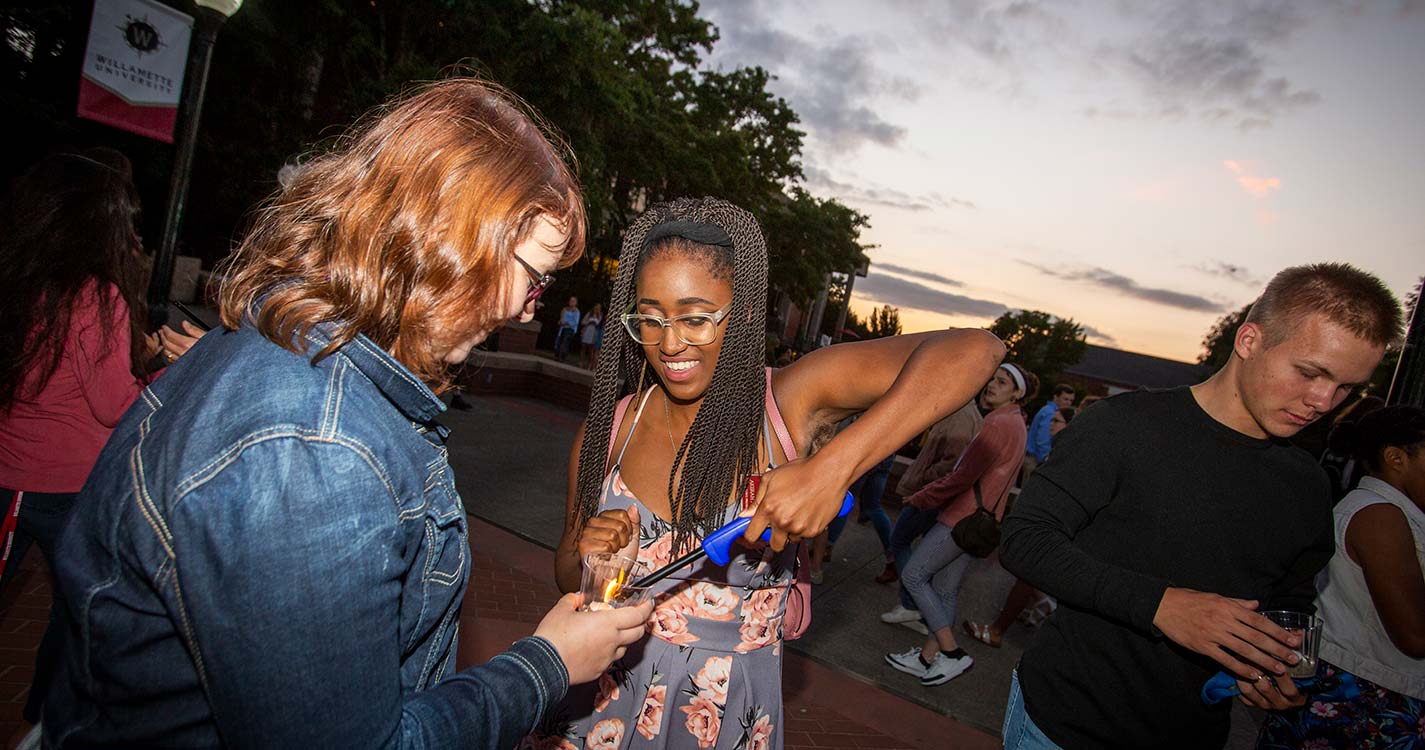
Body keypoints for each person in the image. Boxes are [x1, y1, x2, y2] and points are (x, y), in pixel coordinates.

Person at [41, 79, 652, 749]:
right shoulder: (311, 446)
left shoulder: (295, 341)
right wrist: (547, 663)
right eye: (532, 274)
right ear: (446, 239)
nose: (526, 307)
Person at [540, 197, 1005, 748]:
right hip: (599, 700)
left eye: (695, 317)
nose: (669, 342)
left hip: (719, 712)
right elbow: (567, 574)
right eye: (651, 317)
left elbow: (977, 349)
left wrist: (831, 468)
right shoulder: (611, 429)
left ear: (738, 315)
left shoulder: (787, 402)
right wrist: (593, 559)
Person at [999, 263, 1402, 750]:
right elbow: (1025, 540)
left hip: (1196, 733)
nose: (1323, 400)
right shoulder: (1123, 427)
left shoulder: (1308, 486)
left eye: (1345, 388)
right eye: (1310, 372)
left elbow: (1289, 601)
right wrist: (1161, 605)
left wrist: (1278, 664)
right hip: (1066, 722)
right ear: (1249, 341)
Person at [0, 151, 176, 734]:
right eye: (126, 221)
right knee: (80, 613)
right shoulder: (96, 296)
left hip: (11, 475)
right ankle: (46, 721)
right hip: (64, 489)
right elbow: (113, 407)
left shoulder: (21, 276)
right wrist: (163, 374)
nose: (133, 235)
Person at [1257, 405, 1425, 748]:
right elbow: (1415, 636)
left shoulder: (1392, 513)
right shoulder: (1381, 516)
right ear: (1396, 458)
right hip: (1365, 698)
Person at [883, 363, 1032, 686]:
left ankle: (951, 654)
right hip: (980, 521)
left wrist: (921, 497)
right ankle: (927, 657)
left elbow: (962, 476)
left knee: (914, 574)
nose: (991, 384)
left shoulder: (997, 424)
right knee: (946, 589)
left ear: (1017, 393)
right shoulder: (1017, 424)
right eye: (992, 378)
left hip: (960, 518)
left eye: (1002, 382)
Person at [963, 407, 1075, 648]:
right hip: (1046, 524)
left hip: (1048, 526)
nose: (1051, 424)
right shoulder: (1063, 451)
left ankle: (996, 631)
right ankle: (1043, 603)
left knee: (1024, 577)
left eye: (1057, 421)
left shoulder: (1068, 454)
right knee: (1027, 576)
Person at [876, 401, 983, 585]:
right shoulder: (958, 409)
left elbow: (953, 462)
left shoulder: (961, 415)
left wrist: (925, 476)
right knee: (918, 546)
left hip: (930, 493)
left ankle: (912, 598)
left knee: (899, 540)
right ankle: (915, 594)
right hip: (933, 492)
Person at [1022, 383, 1074, 485]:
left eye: (1071, 400)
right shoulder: (1051, 413)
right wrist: (1046, 464)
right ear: (1056, 397)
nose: (1068, 403)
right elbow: (1043, 441)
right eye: (1065, 399)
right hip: (1034, 460)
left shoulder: (1047, 410)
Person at [580, 302, 604, 370]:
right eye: (596, 307)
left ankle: (590, 364)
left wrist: (596, 323)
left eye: (599, 308)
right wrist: (589, 322)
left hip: (594, 333)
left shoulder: (600, 315)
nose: (597, 309)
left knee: (591, 350)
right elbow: (583, 322)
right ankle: (581, 362)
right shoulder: (589, 314)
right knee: (583, 347)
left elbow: (600, 324)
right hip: (587, 331)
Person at [555, 295, 580, 361]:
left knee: (565, 342)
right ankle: (557, 355)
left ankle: (562, 356)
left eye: (573, 301)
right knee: (559, 341)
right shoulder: (565, 309)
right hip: (562, 328)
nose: (571, 302)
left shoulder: (576, 311)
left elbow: (575, 322)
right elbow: (561, 317)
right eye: (571, 301)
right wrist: (561, 322)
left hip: (570, 329)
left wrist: (566, 323)